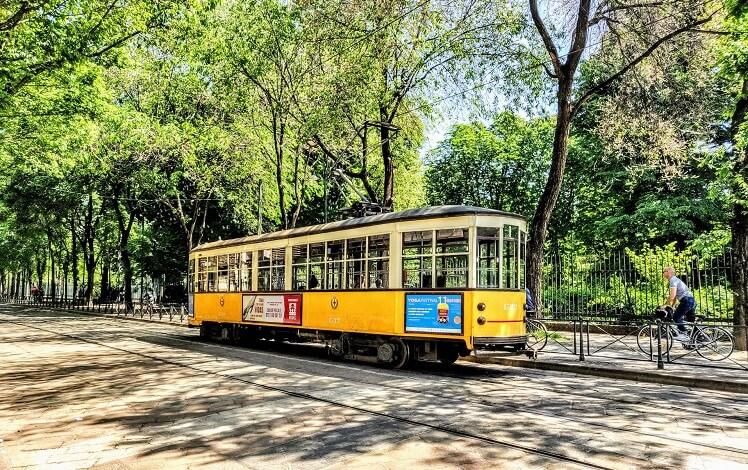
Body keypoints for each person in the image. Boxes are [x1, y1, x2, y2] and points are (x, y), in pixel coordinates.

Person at [662, 267, 696, 342]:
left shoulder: (672, 280)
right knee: (691, 321)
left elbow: (672, 296)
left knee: (676, 317)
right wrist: (671, 306)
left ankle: (684, 334)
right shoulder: (675, 280)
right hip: (690, 300)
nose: (663, 273)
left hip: (686, 300)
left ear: (668, 272)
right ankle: (697, 338)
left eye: (664, 272)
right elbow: (674, 299)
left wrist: (664, 305)